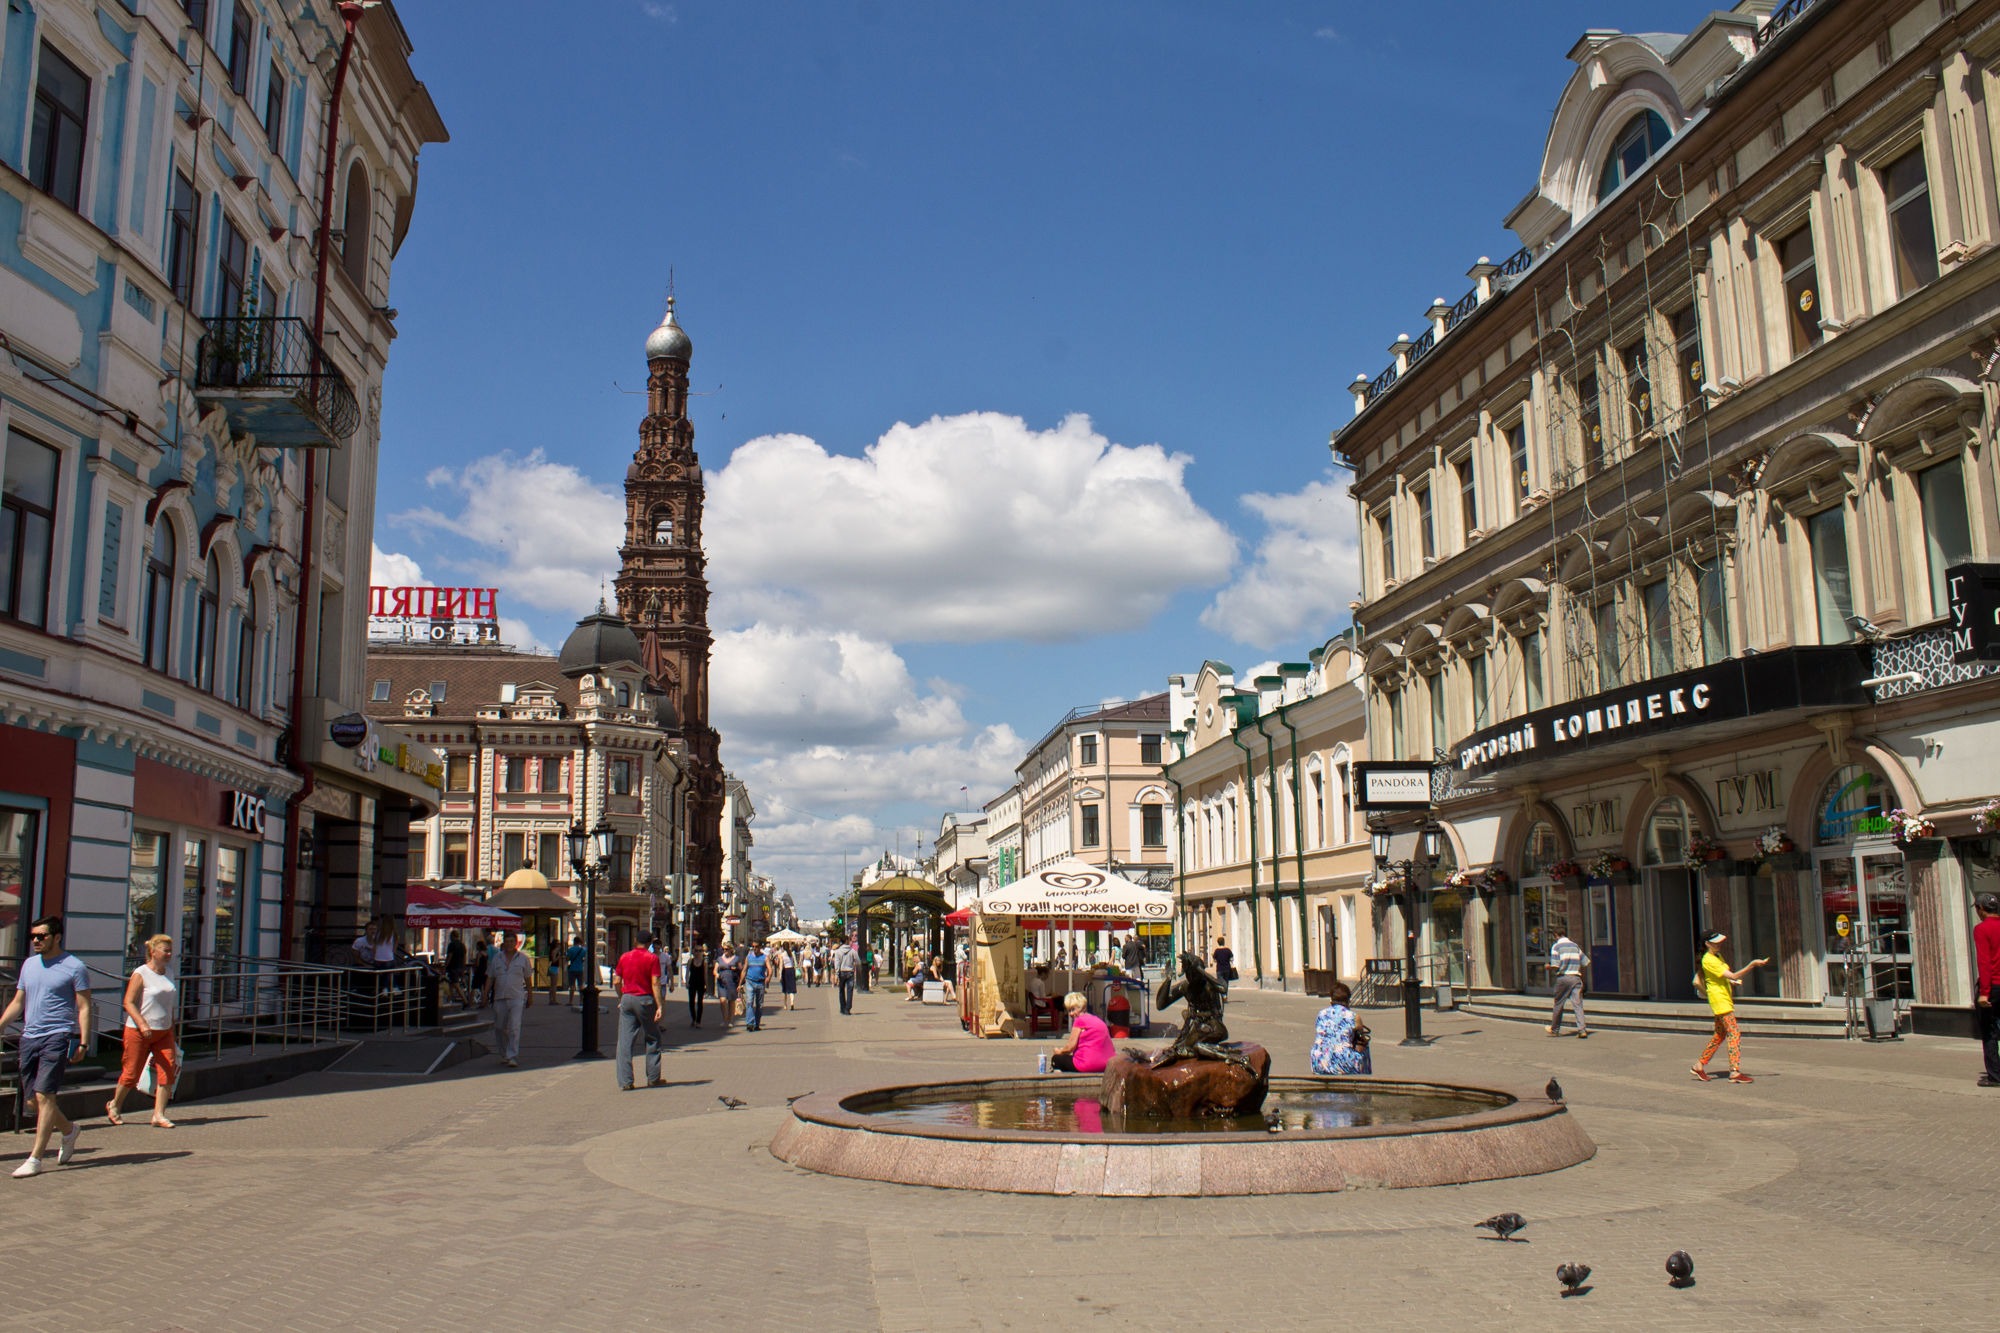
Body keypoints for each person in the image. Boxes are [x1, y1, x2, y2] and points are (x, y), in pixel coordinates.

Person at [2, 915, 92, 1175]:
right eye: (33, 936)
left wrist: (83, 1042)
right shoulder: (29, 965)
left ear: (57, 937)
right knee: (33, 1102)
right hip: (29, 1037)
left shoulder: (74, 967)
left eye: (41, 936)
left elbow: (84, 1006)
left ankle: (36, 1158)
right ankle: (69, 1129)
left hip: (58, 1035)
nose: (36, 941)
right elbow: (19, 1001)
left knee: (45, 1095)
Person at [107, 934, 180, 1127]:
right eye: (165, 950)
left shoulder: (169, 973)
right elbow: (128, 1003)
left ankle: (159, 1114)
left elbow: (169, 1003)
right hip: (139, 1031)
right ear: (153, 951)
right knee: (131, 1073)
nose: (169, 954)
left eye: (170, 951)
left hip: (164, 1031)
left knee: (168, 1070)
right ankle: (115, 1104)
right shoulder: (141, 973)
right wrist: (142, 1024)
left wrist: (172, 1024)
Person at [1692, 931, 1767, 1084]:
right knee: (1734, 1032)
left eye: (1720, 941)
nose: (1719, 944)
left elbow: (1726, 976)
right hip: (1720, 1001)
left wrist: (1732, 982)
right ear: (1707, 944)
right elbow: (1732, 975)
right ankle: (1734, 1071)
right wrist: (1752, 965)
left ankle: (1699, 1065)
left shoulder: (1717, 957)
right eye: (1715, 942)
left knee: (1720, 1034)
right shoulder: (1709, 960)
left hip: (1723, 998)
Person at [613, 930, 667, 1090]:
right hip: (645, 1000)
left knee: (624, 1041)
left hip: (627, 999)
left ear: (635, 940)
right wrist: (659, 1005)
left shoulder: (625, 956)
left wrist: (620, 997)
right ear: (650, 943)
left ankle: (626, 1081)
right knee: (652, 1037)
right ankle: (653, 1078)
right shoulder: (652, 958)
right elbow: (655, 982)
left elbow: (617, 980)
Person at [484, 930, 533, 1067]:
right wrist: (485, 994)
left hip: (517, 997)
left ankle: (512, 1055)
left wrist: (530, 996)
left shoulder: (523, 959)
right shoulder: (497, 958)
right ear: (504, 943)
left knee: (514, 1027)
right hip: (499, 997)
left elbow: (528, 979)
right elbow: (490, 977)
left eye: (512, 941)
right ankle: (504, 1053)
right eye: (507, 941)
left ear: (516, 943)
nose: (509, 944)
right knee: (499, 1027)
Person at [1309, 981, 1372, 1075]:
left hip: (1319, 1061)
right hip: (1343, 1063)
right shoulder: (1353, 1016)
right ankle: (1364, 1078)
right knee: (1364, 1048)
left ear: (1331, 1000)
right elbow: (1361, 1038)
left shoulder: (1321, 1014)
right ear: (1348, 1000)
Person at [1973, 893, 2000, 1087]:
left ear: (1981, 909)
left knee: (1989, 1032)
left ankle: (1995, 1076)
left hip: (1993, 987)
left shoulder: (1982, 929)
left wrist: (1984, 992)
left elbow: (1984, 962)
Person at [1048, 993, 1113, 1073]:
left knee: (1056, 1059)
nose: (1070, 1014)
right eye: (1069, 1010)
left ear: (1082, 1008)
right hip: (1107, 1064)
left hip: (1088, 1064)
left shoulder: (1079, 1020)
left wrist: (1059, 1051)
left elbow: (1070, 1047)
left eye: (1073, 1009)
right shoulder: (1098, 1020)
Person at [1546, 930, 1589, 1038]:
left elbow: (1556, 965)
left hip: (1563, 978)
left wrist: (1548, 967)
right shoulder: (1575, 946)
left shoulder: (1556, 947)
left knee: (1559, 1003)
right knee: (1578, 1004)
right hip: (1576, 978)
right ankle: (1582, 1030)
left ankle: (1554, 1029)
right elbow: (1585, 962)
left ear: (1556, 935)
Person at [742, 942, 771, 1031]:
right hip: (750, 981)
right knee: (749, 1002)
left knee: (759, 1005)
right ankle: (750, 1023)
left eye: (756, 947)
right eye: (753, 946)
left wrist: (768, 977)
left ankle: (756, 1024)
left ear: (760, 947)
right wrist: (740, 983)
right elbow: (744, 970)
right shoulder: (749, 957)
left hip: (760, 983)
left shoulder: (765, 957)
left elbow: (770, 969)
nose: (754, 948)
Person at [714, 945, 741, 1030]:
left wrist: (736, 968)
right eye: (723, 949)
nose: (724, 951)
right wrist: (717, 974)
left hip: (732, 981)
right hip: (721, 981)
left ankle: (730, 1020)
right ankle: (724, 1019)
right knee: (722, 1000)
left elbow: (741, 969)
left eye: (726, 949)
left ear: (731, 950)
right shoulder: (719, 959)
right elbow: (715, 970)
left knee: (731, 1001)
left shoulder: (736, 958)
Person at [684, 944, 708, 1027]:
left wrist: (706, 985)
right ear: (693, 952)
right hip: (692, 983)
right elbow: (687, 972)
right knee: (691, 1002)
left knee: (700, 1002)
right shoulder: (690, 961)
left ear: (702, 952)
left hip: (701, 983)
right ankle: (693, 1019)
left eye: (700, 951)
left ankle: (698, 1021)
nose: (698, 952)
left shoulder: (704, 963)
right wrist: (686, 981)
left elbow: (705, 974)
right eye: (696, 950)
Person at [443, 931, 469, 1005]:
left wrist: (445, 966)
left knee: (456, 984)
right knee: (451, 985)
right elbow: (464, 958)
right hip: (460, 967)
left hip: (453, 967)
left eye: (450, 936)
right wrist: (463, 968)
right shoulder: (462, 945)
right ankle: (448, 1000)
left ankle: (465, 1001)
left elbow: (449, 957)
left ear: (452, 936)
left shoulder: (452, 945)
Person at [833, 938, 858, 1014]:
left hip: (842, 972)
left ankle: (842, 1008)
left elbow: (836, 964)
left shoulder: (837, 952)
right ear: (847, 942)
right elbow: (858, 961)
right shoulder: (853, 951)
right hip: (850, 972)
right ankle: (848, 1008)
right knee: (850, 991)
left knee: (841, 991)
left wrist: (836, 974)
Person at [564, 936, 586, 1009]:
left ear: (574, 942)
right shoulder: (582, 950)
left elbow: (567, 959)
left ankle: (570, 1001)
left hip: (572, 969)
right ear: (579, 942)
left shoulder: (570, 950)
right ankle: (581, 1001)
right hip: (580, 969)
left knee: (572, 986)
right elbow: (584, 957)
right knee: (581, 986)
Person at [777, 945, 799, 1011]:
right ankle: (792, 1002)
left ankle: (785, 1004)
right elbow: (795, 963)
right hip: (791, 970)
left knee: (785, 989)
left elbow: (781, 965)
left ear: (783, 947)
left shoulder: (782, 955)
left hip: (785, 971)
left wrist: (780, 974)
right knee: (792, 988)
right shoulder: (792, 954)